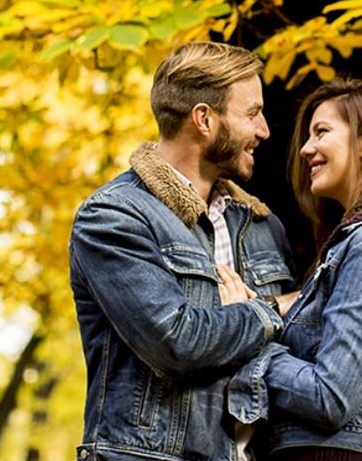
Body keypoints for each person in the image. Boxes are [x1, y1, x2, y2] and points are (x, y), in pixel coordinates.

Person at [70, 41, 299, 461]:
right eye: (252, 113)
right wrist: (271, 310)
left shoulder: (263, 227)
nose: (264, 130)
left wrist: (238, 320)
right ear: (204, 119)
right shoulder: (114, 217)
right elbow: (176, 343)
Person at [227, 78, 362, 460]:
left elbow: (329, 395)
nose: (305, 149)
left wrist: (244, 339)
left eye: (322, 132)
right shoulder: (353, 244)